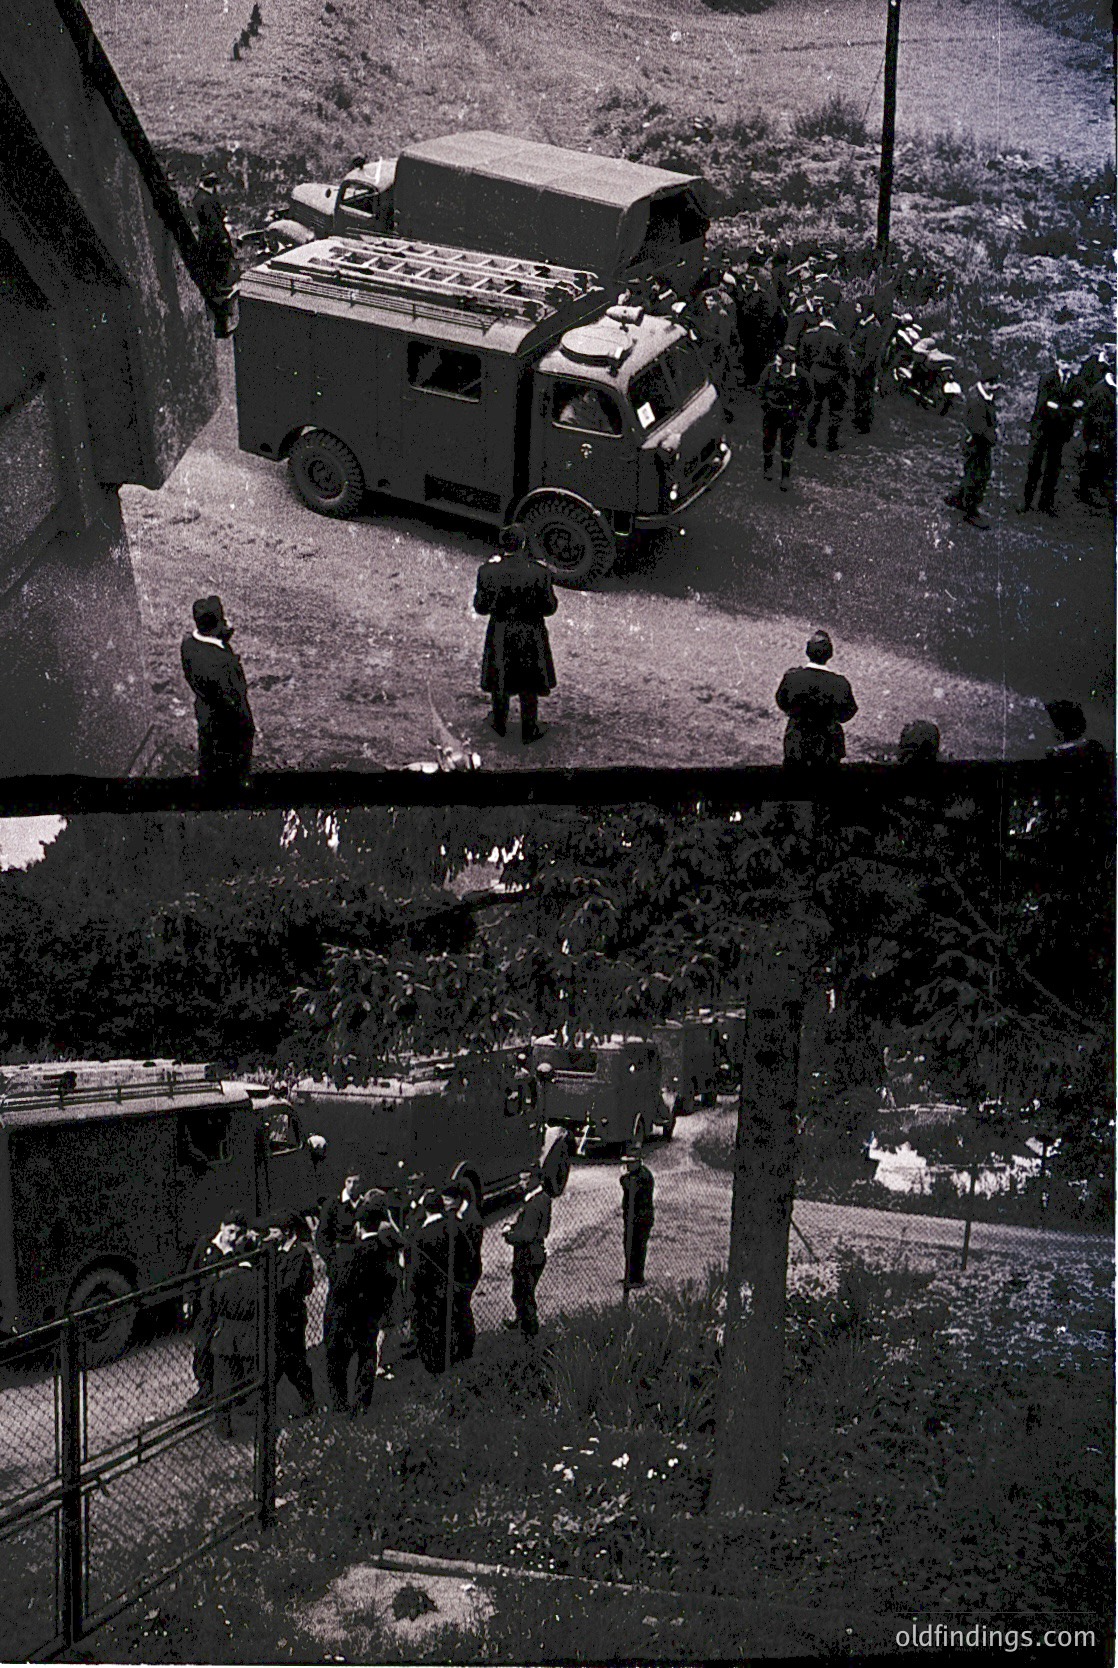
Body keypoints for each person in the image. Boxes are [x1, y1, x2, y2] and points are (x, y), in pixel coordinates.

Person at [473, 524, 558, 744]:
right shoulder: (540, 573)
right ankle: (529, 728)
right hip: (530, 633)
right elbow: (549, 608)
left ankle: (498, 723)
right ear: (522, 545)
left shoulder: (488, 571)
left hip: (500, 631)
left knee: (500, 677)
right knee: (528, 681)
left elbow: (481, 608)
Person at [322, 1197, 400, 1412]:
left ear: (358, 1225)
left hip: (343, 1316)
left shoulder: (345, 1253)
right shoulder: (385, 1251)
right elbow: (391, 1282)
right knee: (366, 1357)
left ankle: (340, 1405)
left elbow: (336, 1283)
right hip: (369, 1316)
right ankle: (362, 1403)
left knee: (338, 1362)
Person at [180, 595, 255, 784]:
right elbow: (236, 700)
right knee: (232, 771)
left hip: (206, 715)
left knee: (209, 759)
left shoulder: (188, 645)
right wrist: (248, 728)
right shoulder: (224, 664)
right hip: (230, 727)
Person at [184, 1213, 245, 1409]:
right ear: (222, 1226)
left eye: (237, 1233)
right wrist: (188, 1299)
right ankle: (205, 1388)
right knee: (201, 1350)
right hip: (205, 1307)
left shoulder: (236, 1250)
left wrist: (229, 1253)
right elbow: (192, 1272)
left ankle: (228, 1392)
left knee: (223, 1351)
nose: (233, 1237)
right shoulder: (205, 1244)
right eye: (230, 1231)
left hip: (224, 1308)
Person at [775, 630, 858, 768]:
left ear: (807, 651)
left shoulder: (792, 678)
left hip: (797, 745)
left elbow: (782, 702)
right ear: (830, 654)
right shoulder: (840, 683)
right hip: (828, 748)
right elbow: (848, 712)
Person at [1018, 354, 1086, 516]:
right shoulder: (1047, 378)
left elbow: (1080, 408)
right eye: (1063, 361)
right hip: (1042, 429)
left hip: (1060, 433)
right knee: (1034, 466)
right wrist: (1068, 409)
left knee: (1053, 468)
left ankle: (1046, 504)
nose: (1066, 365)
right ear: (1057, 362)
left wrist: (1058, 408)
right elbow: (1043, 405)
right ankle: (1026, 502)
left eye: (1069, 361)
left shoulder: (1077, 383)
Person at [210, 1225, 259, 1439]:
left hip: (226, 1336)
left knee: (223, 1385)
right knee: (254, 1383)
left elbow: (215, 1304)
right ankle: (256, 1427)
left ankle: (223, 1428)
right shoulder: (259, 1280)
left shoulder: (224, 1277)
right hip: (250, 1336)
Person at [502, 1165, 552, 1339]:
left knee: (523, 1293)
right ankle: (523, 1322)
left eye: (525, 1180)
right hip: (535, 1252)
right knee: (523, 1292)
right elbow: (531, 1226)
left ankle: (529, 1332)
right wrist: (515, 1226)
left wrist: (509, 1235)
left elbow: (526, 1235)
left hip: (527, 1255)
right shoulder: (542, 1198)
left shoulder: (534, 1204)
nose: (521, 1183)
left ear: (535, 1179)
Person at [273, 1213, 316, 1416]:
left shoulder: (299, 1254)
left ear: (286, 1231)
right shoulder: (277, 1252)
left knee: (295, 1362)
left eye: (274, 1231)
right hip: (278, 1316)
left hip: (291, 1317)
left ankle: (309, 1403)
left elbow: (296, 1287)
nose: (270, 1236)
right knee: (278, 1363)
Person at [945, 370, 998, 527]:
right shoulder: (977, 402)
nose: (996, 388)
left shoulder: (980, 396)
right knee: (979, 476)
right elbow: (979, 429)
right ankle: (970, 511)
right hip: (977, 445)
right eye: (993, 384)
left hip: (975, 444)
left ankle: (957, 498)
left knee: (972, 473)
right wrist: (993, 437)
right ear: (986, 384)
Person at [757, 347, 811, 490]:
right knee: (768, 440)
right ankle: (767, 468)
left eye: (780, 361)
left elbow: (808, 396)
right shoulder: (769, 371)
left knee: (787, 445)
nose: (777, 364)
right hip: (771, 413)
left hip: (789, 417)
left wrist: (798, 412)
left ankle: (785, 476)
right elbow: (760, 389)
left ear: (789, 363)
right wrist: (766, 405)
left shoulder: (801, 376)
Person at [800, 314, 852, 451]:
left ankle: (811, 436)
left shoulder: (810, 335)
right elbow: (846, 363)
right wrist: (845, 380)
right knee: (835, 409)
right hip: (833, 376)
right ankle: (831, 441)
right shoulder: (840, 339)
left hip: (815, 373)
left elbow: (803, 357)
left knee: (815, 406)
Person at [191, 172, 236, 298]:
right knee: (218, 262)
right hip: (214, 237)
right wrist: (223, 238)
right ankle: (220, 289)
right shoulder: (207, 200)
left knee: (210, 263)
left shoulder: (200, 197)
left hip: (206, 236)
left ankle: (215, 288)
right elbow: (214, 222)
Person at [317, 1172, 366, 1283]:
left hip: (363, 1265)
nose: (352, 1186)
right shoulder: (332, 1205)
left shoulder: (365, 1204)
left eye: (356, 1182)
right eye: (349, 1181)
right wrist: (333, 1261)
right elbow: (321, 1237)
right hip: (340, 1266)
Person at [1077, 370, 1116, 508]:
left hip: (1112, 436)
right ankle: (1089, 496)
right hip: (1101, 436)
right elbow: (1089, 417)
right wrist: (1091, 439)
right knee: (1095, 466)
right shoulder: (1099, 391)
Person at [849, 303, 888, 434]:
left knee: (865, 396)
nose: (856, 309)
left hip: (866, 369)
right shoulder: (861, 323)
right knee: (857, 396)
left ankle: (863, 426)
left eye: (859, 307)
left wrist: (860, 370)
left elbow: (870, 354)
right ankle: (856, 421)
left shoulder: (874, 328)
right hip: (857, 366)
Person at [620, 1148, 655, 1290]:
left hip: (641, 1217)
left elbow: (630, 1187)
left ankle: (637, 1278)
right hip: (631, 1217)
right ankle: (630, 1275)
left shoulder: (642, 1176)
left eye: (630, 1163)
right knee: (629, 1245)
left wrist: (623, 1177)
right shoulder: (635, 1174)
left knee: (638, 1247)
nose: (627, 1166)